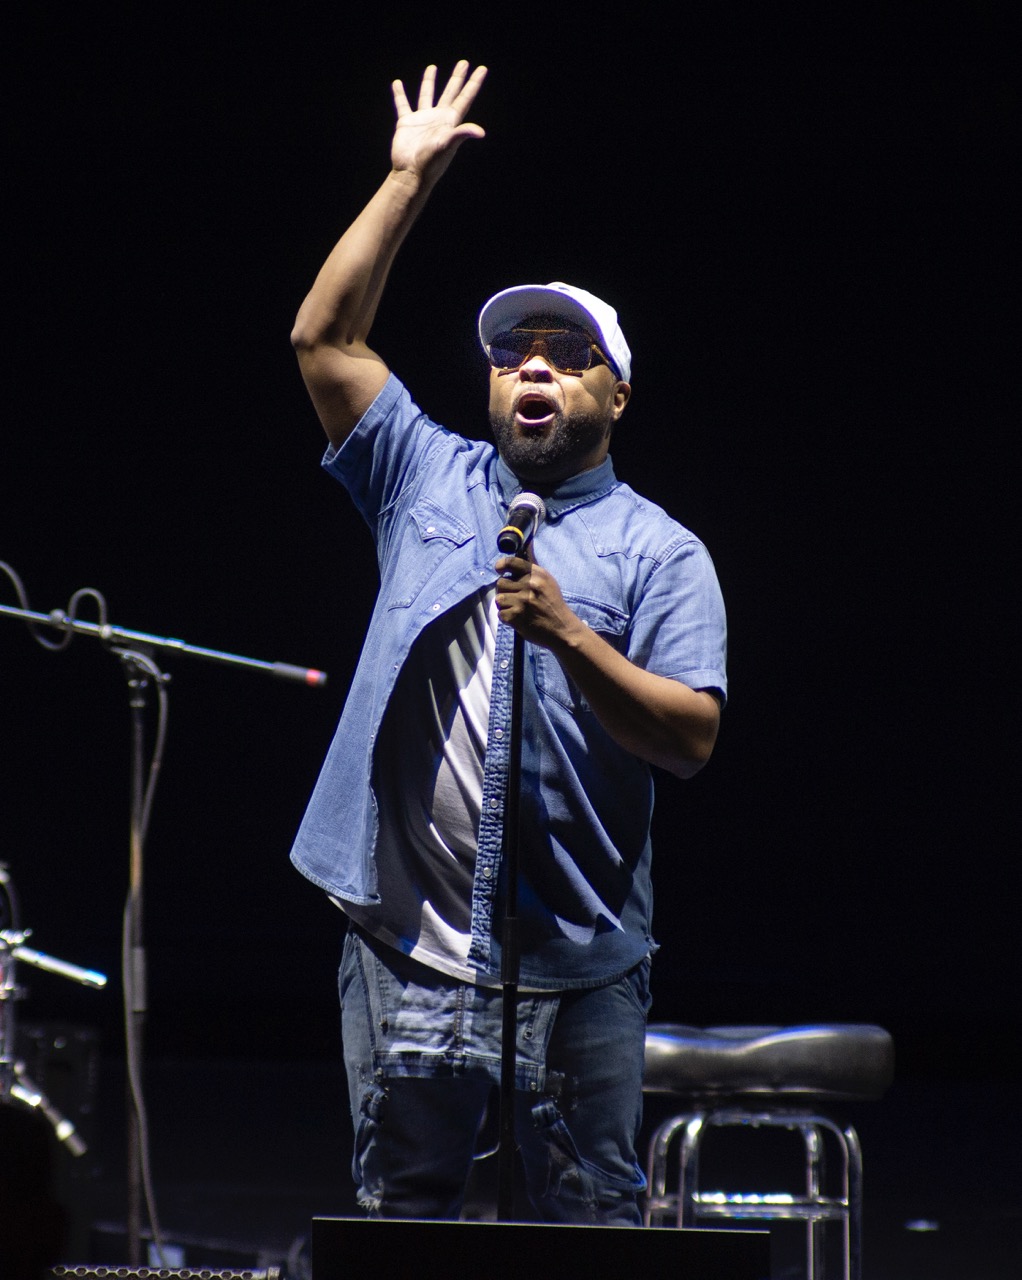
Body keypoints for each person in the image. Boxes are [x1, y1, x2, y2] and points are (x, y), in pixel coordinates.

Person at [288, 61, 727, 1226]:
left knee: (590, 1224)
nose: (532, 363)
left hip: (577, 964)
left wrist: (567, 632)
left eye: (566, 352)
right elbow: (322, 339)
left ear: (616, 395)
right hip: (408, 947)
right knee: (402, 1216)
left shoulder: (659, 550)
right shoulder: (424, 476)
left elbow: (689, 737)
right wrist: (405, 181)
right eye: (512, 350)